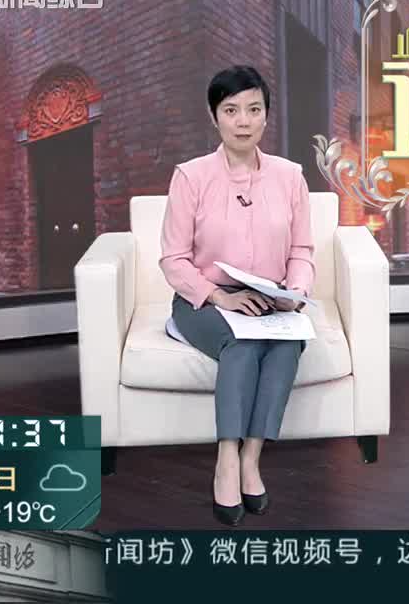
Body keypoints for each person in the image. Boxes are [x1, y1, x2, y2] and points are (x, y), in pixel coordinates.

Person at [159, 65, 315, 526]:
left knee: (287, 344)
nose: (243, 121)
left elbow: (302, 251)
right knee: (243, 345)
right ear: (215, 117)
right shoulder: (191, 177)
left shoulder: (290, 177)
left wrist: (294, 293)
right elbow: (173, 259)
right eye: (231, 110)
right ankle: (227, 460)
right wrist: (218, 297)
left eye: (253, 109)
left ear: (266, 115)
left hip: (269, 299)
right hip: (205, 301)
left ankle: (252, 458)